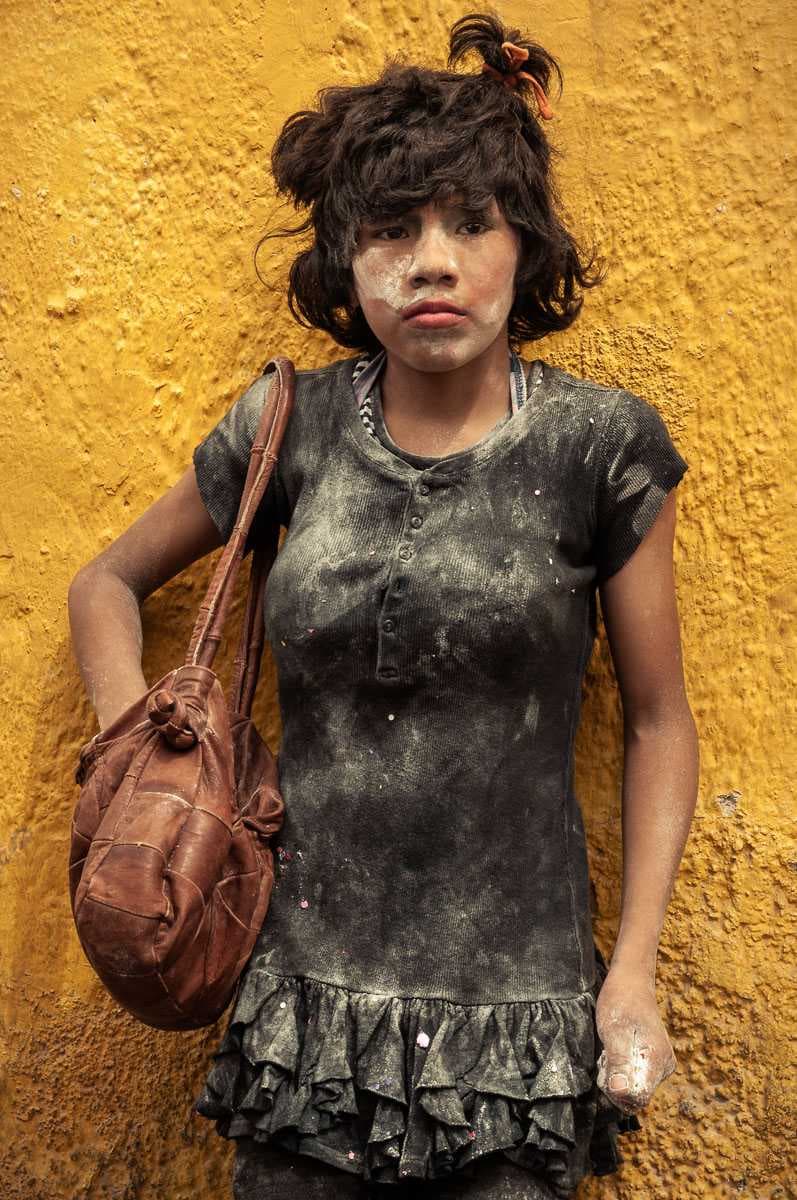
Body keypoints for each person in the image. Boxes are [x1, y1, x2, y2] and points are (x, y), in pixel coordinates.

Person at [67, 11, 699, 1199]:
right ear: (343, 261)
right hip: (301, 1016)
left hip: (511, 1033)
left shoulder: (599, 450)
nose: (432, 261)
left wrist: (632, 977)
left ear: (524, 245)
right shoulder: (284, 429)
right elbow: (104, 584)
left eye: (471, 223)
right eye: (390, 229)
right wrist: (144, 757)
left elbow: (660, 722)